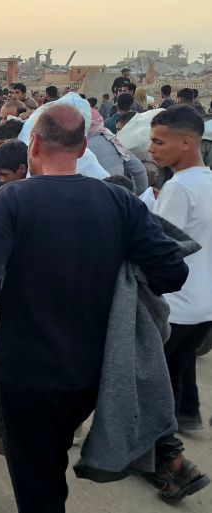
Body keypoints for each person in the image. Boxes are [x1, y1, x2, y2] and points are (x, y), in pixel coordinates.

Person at [0, 104, 193, 513]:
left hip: (25, 370)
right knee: (53, 457)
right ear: (83, 145)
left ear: (32, 144)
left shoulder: (12, 199)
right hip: (89, 372)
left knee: (36, 478)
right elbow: (172, 272)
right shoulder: (119, 204)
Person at [150, 106, 212, 432]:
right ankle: (187, 415)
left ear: (186, 143)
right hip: (205, 305)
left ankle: (158, 449)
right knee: (180, 363)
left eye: (159, 142)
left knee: (150, 379)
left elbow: (160, 250)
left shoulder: (178, 188)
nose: (150, 149)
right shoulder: (207, 180)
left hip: (177, 306)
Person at [87, 109, 149, 194]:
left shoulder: (75, 147)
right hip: (120, 199)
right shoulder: (113, 140)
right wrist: (138, 199)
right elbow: (139, 170)